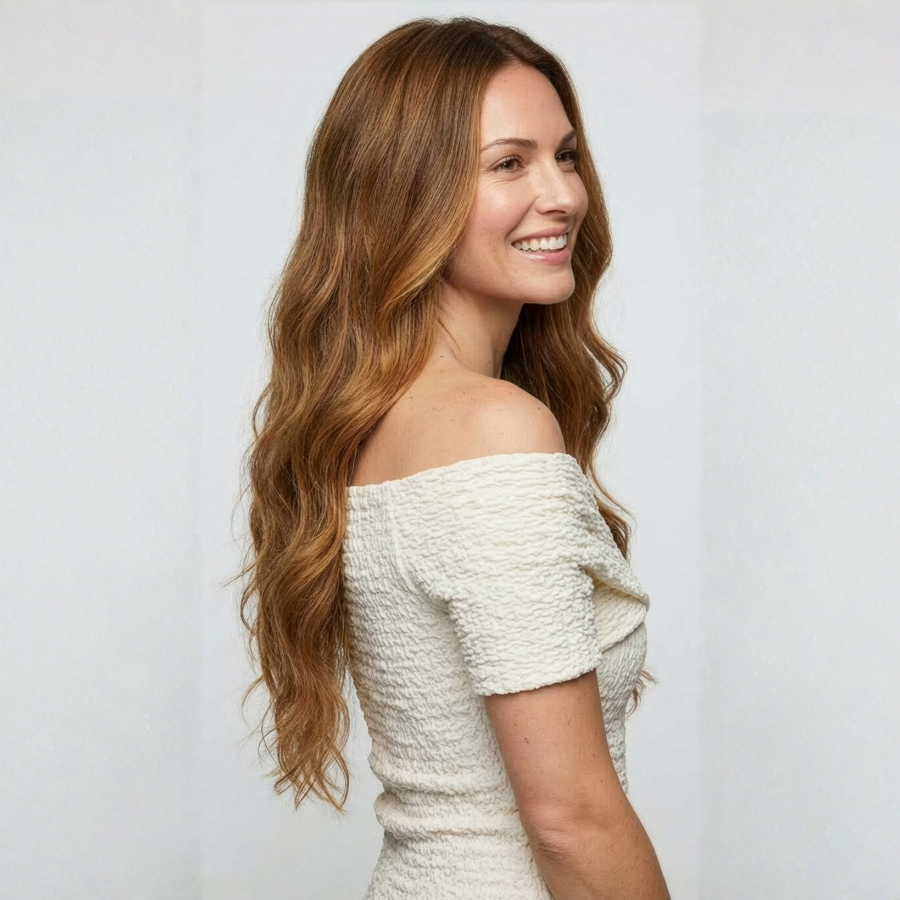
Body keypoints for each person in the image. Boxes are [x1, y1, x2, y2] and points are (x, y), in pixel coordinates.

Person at [239, 16, 671, 900]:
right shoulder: (491, 430)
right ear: (406, 194)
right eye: (509, 164)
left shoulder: (373, 420)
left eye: (566, 155)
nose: (563, 194)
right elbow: (570, 820)